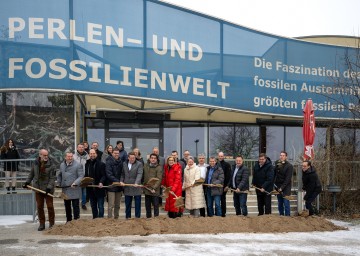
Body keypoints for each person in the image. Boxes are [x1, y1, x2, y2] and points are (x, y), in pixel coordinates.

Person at [23, 149, 56, 231]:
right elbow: (31, 174)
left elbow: (52, 178)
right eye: (44, 155)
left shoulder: (51, 165)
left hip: (48, 189)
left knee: (50, 206)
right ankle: (42, 224)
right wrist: (27, 182)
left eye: (47, 155)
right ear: (40, 155)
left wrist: (49, 187)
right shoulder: (35, 163)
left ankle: (52, 223)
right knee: (39, 207)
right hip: (38, 188)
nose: (46, 157)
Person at [57, 151, 84, 222]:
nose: (70, 158)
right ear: (65, 157)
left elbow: (81, 176)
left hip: (74, 188)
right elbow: (59, 174)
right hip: (65, 189)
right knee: (67, 207)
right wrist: (59, 182)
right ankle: (68, 221)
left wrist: (75, 183)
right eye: (68, 156)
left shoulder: (78, 165)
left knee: (75, 207)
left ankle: (76, 221)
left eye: (71, 156)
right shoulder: (62, 165)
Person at [120, 151, 143, 219]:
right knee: (128, 204)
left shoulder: (139, 164)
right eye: (131, 158)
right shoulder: (124, 163)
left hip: (136, 187)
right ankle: (128, 218)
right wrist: (121, 181)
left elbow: (139, 174)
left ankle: (137, 218)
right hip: (127, 187)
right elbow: (122, 174)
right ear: (128, 157)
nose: (132, 159)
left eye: (134, 158)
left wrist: (136, 182)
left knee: (137, 204)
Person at [85, 149, 107, 218]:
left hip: (99, 188)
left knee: (100, 206)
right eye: (91, 153)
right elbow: (86, 175)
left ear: (96, 154)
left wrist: (101, 182)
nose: (92, 155)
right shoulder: (87, 164)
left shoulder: (101, 164)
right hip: (91, 189)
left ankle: (100, 220)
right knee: (93, 206)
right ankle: (95, 220)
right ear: (89, 155)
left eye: (93, 153)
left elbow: (104, 175)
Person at [105, 148, 123, 219]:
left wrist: (121, 181)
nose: (116, 154)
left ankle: (116, 218)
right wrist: (117, 181)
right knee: (111, 205)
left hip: (119, 187)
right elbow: (109, 174)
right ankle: (109, 218)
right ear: (112, 153)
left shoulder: (121, 162)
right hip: (111, 186)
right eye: (115, 153)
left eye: (117, 153)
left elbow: (122, 173)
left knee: (117, 205)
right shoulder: (108, 162)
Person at [143, 153, 163, 218]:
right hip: (147, 189)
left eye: (154, 158)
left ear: (157, 159)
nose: (153, 159)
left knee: (156, 206)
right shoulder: (145, 166)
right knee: (148, 207)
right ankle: (148, 220)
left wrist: (154, 188)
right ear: (150, 159)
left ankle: (156, 221)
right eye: (152, 158)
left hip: (155, 190)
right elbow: (143, 176)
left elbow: (159, 179)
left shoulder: (159, 167)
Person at [274, 151, 293, 216]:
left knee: (286, 202)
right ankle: (281, 216)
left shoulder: (289, 166)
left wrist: (282, 188)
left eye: (283, 155)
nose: (281, 157)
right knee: (280, 203)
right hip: (278, 187)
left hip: (286, 187)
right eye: (280, 155)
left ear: (286, 157)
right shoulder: (277, 165)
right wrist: (276, 187)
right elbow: (275, 175)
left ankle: (287, 216)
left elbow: (288, 179)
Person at [73, 143, 90, 210]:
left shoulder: (87, 156)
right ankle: (76, 203)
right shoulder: (74, 156)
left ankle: (83, 203)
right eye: (80, 147)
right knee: (76, 191)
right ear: (77, 148)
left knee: (84, 191)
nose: (81, 148)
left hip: (84, 176)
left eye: (82, 147)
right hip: (76, 176)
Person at [218, 152, 231, 217]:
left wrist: (227, 186)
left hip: (224, 186)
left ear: (223, 156)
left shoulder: (227, 164)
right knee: (217, 200)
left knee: (223, 200)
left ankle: (223, 213)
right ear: (218, 156)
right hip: (217, 186)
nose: (220, 157)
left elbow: (229, 176)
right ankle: (218, 213)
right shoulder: (216, 164)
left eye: (221, 156)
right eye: (219, 156)